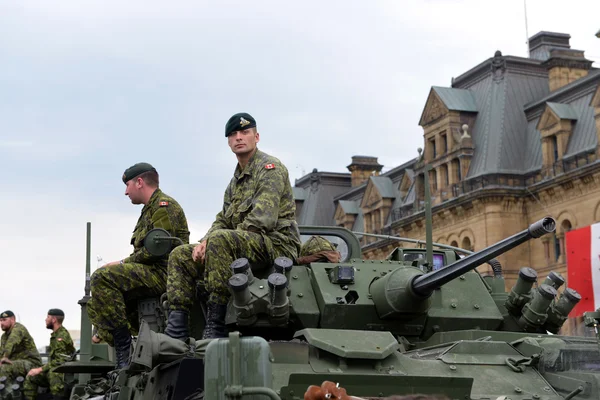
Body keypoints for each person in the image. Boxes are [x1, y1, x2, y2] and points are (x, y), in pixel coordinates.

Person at [164, 112, 302, 340]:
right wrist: (202, 242)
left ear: (256, 137)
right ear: (229, 142)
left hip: (276, 244)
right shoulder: (235, 181)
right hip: (242, 243)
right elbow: (223, 218)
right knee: (180, 254)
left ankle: (215, 323)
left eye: (245, 132)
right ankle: (177, 328)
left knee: (220, 241)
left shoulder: (270, 169)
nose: (239, 137)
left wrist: (215, 240)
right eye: (233, 134)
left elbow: (262, 220)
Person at [87, 162, 190, 368]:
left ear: (140, 182)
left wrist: (122, 262)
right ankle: (125, 344)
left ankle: (123, 349)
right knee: (97, 302)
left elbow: (155, 251)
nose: (126, 192)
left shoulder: (164, 207)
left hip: (165, 275)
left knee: (102, 277)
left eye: (128, 185)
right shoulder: (148, 210)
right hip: (151, 272)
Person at [24, 309, 76, 400]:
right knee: (31, 376)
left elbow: (61, 360)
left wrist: (40, 369)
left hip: (63, 372)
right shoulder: (55, 335)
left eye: (48, 317)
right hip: (55, 368)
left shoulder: (61, 336)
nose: (45, 319)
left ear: (54, 319)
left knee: (54, 374)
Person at [0, 310, 42, 382]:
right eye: (0, 321)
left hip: (32, 363)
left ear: (13, 319)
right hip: (17, 362)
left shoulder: (19, 328)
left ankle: (6, 392)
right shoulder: (4, 336)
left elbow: (11, 342)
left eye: (4, 320)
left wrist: (5, 357)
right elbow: (1, 352)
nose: (1, 323)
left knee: (5, 368)